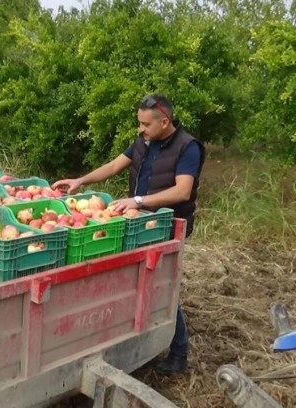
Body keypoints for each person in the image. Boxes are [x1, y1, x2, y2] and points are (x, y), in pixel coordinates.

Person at [52, 94, 205, 375]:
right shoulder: (144, 142)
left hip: (168, 224)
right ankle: (138, 336)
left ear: (164, 121)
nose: (141, 129)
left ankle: (179, 351)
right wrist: (80, 180)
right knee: (140, 281)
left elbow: (182, 191)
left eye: (146, 124)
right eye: (139, 123)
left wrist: (138, 201)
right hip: (139, 223)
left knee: (162, 284)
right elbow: (113, 166)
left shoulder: (188, 147)